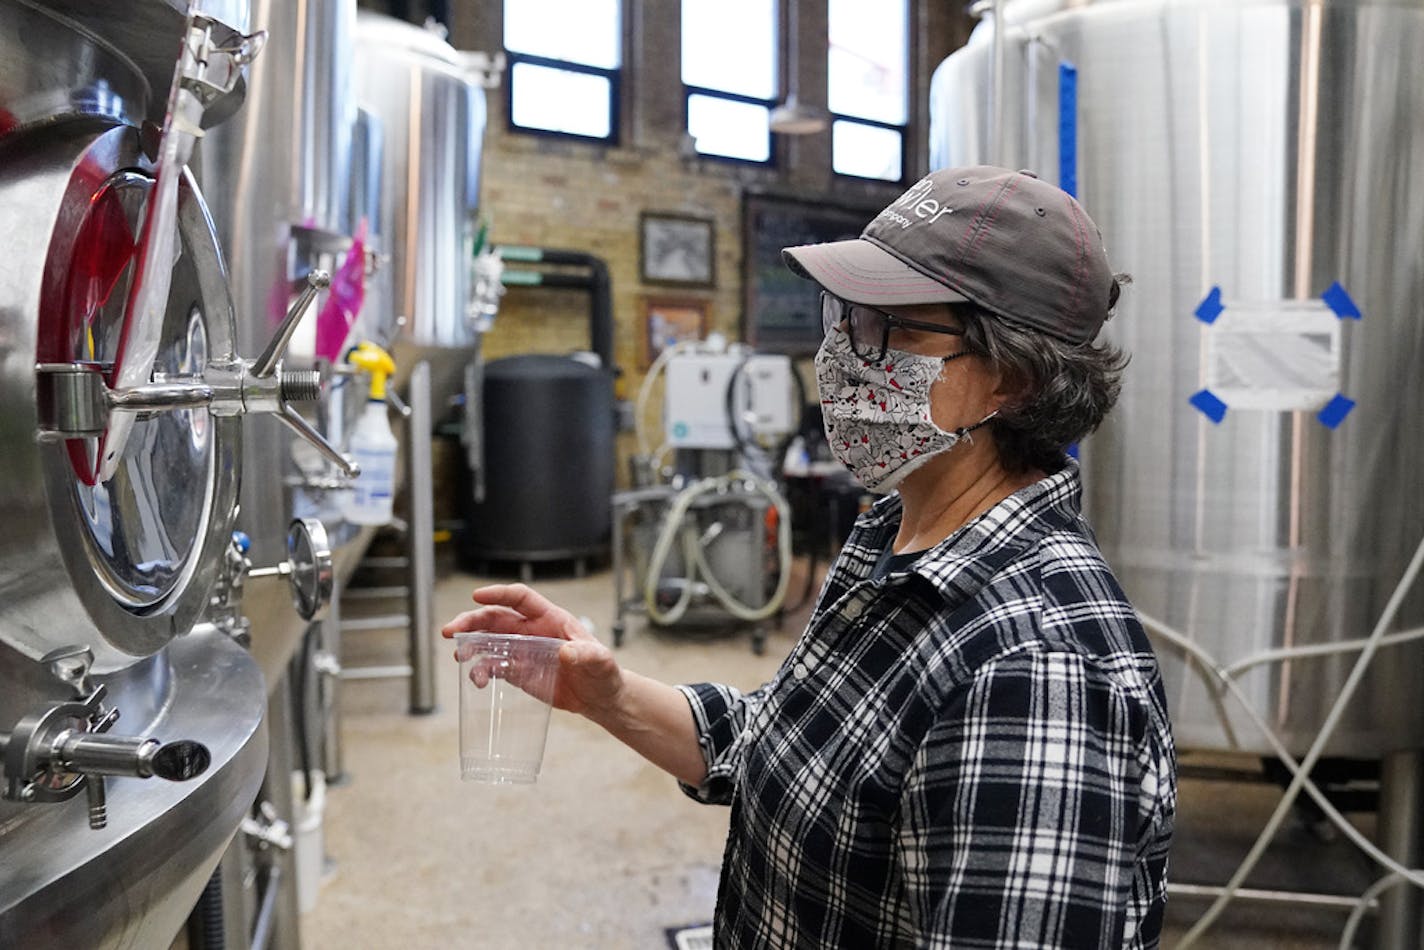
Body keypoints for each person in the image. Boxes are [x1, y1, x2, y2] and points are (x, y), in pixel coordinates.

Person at [443, 166, 1177, 949]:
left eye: (885, 326)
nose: (840, 355)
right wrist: (607, 693)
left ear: (1011, 377)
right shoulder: (899, 533)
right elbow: (797, 744)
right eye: (843, 315)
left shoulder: (1035, 676)